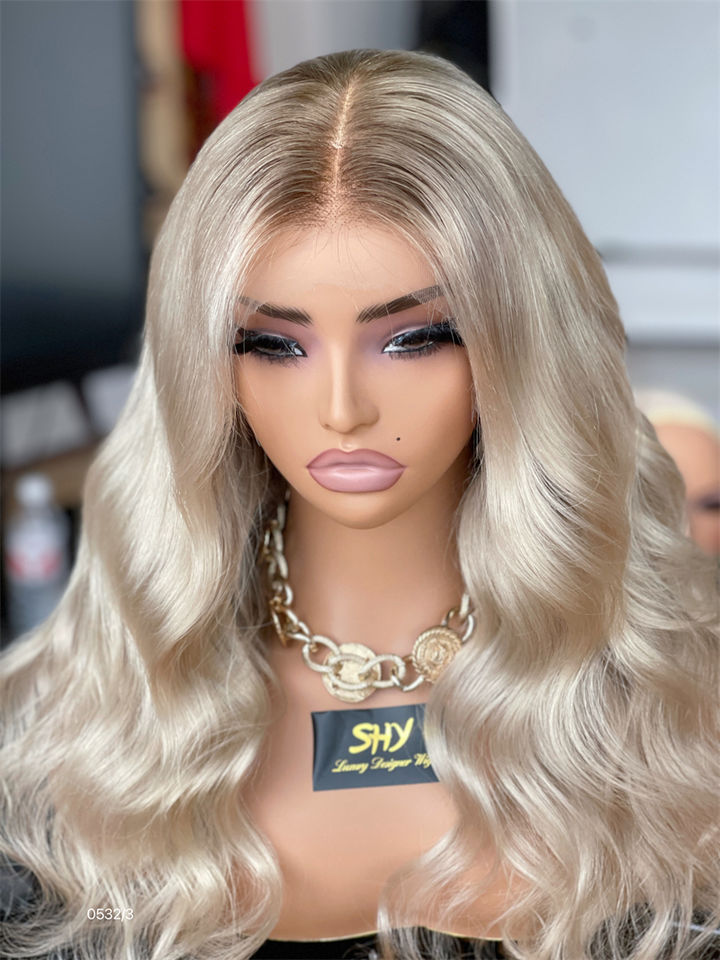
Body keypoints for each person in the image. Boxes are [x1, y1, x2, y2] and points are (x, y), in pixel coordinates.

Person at [1, 48, 718, 960]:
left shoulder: (674, 714)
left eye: (413, 338)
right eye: (274, 345)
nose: (342, 410)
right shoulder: (76, 737)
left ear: (519, 339)